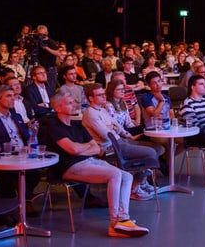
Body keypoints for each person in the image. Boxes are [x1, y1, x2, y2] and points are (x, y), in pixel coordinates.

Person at [42, 91, 150, 237]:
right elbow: (72, 150)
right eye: (69, 103)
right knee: (115, 174)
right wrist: (82, 148)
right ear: (57, 107)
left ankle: (123, 218)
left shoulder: (77, 125)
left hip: (88, 161)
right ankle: (115, 223)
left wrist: (80, 149)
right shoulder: (54, 126)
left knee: (126, 176)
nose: (73, 104)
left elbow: (96, 148)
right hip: (68, 166)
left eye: (73, 101)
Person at [82, 84, 157, 201]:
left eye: (104, 94)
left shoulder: (102, 110)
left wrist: (129, 136)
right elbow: (106, 135)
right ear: (91, 98)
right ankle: (134, 187)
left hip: (120, 141)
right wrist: (112, 128)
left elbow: (117, 126)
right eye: (100, 95)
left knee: (154, 149)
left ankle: (141, 183)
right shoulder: (91, 114)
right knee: (151, 153)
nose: (104, 96)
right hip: (111, 147)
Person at [0, 85, 42, 218]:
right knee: (7, 176)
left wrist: (32, 135)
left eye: (13, 96)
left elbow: (25, 137)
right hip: (3, 158)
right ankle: (7, 211)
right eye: (9, 96)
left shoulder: (17, 116)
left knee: (34, 173)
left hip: (24, 155)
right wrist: (15, 149)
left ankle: (25, 200)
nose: (13, 99)